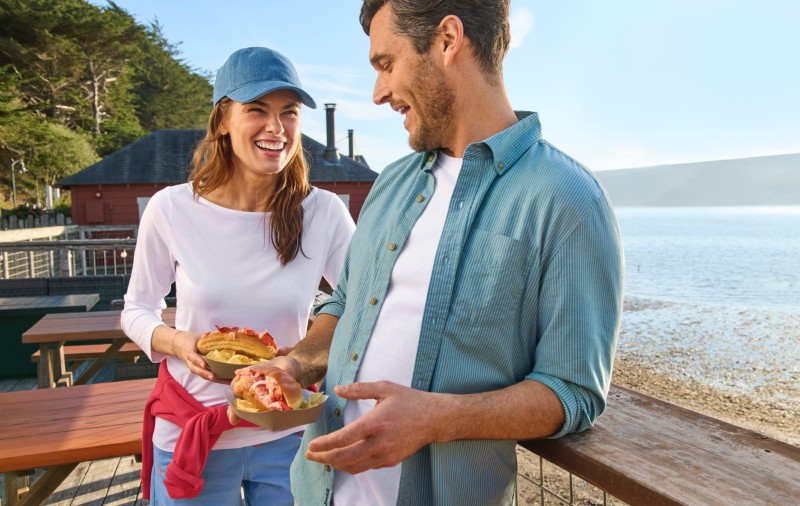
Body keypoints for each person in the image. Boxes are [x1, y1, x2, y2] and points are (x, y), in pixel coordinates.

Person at [237, 2, 623, 504]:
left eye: (385, 64)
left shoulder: (569, 200)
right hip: (316, 492)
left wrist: (437, 421)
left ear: (447, 40)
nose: (378, 93)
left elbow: (575, 391)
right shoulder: (392, 182)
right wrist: (296, 367)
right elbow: (345, 302)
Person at [121, 46, 355, 505]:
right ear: (223, 120)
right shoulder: (171, 208)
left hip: (287, 433)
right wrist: (176, 342)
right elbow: (136, 310)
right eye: (257, 110)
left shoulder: (324, 212)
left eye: (288, 113)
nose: (276, 127)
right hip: (193, 430)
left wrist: (311, 356)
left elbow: (362, 302)